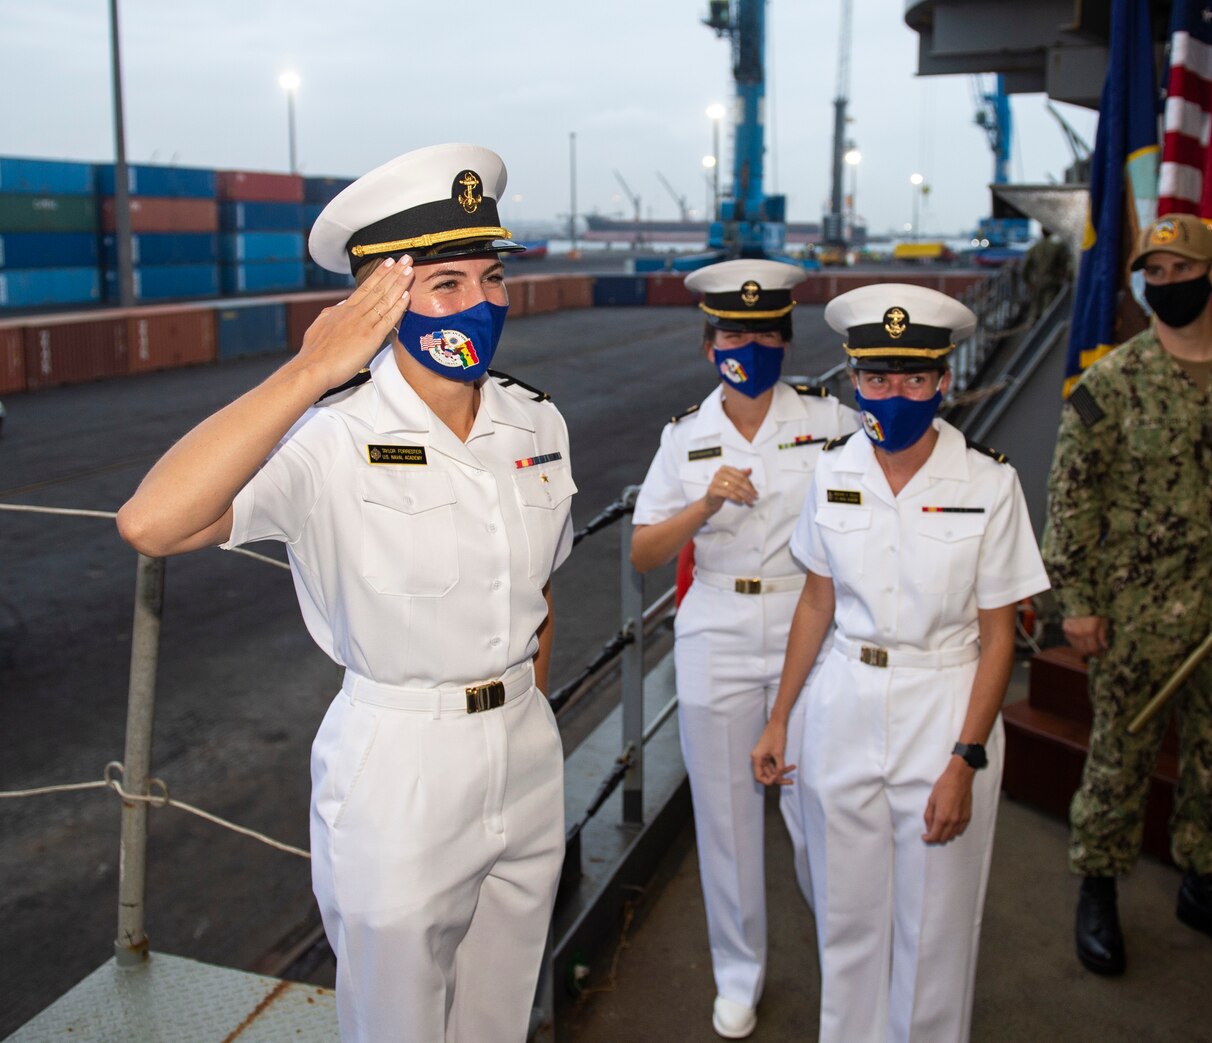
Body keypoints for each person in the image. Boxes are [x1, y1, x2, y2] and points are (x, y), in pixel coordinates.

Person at [116, 144, 574, 1043]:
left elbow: (541, 594)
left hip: (524, 744)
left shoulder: (536, 422)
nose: (480, 303)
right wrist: (308, 372)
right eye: (445, 283)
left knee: (499, 1015)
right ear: (382, 298)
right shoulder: (327, 436)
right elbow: (152, 523)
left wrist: (525, 720)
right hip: (400, 763)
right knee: (397, 1024)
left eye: (490, 277)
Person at [751, 284, 1049, 1043]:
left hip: (945, 703)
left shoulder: (989, 482)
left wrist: (965, 758)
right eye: (877, 379)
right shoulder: (832, 470)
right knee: (846, 921)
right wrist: (782, 716)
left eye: (915, 379)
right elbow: (816, 603)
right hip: (845, 699)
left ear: (943, 380)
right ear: (854, 381)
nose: (895, 394)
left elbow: (999, 633)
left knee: (934, 930)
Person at [1043, 213, 1212, 978]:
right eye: (1151, 274)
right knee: (1118, 754)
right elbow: (1073, 500)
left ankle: (1205, 881)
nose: (1165, 285)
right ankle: (1097, 884)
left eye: (1178, 271)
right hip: (1136, 615)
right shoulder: (1109, 383)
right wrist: (1078, 604)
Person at [630, 258, 859, 1039]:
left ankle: (850, 972)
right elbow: (643, 554)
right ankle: (738, 976)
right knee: (725, 819)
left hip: (811, 627)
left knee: (821, 806)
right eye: (733, 331)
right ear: (709, 345)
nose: (749, 344)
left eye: (763, 331)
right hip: (717, 630)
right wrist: (703, 502)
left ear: (786, 340)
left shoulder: (831, 423)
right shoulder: (686, 438)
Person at [1021, 226, 1071, 315]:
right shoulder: (1058, 247)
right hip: (1052, 282)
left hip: (1038, 283)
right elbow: (1065, 266)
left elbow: (1024, 269)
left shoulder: (1034, 248)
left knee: (1036, 310)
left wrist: (1028, 282)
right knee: (1049, 310)